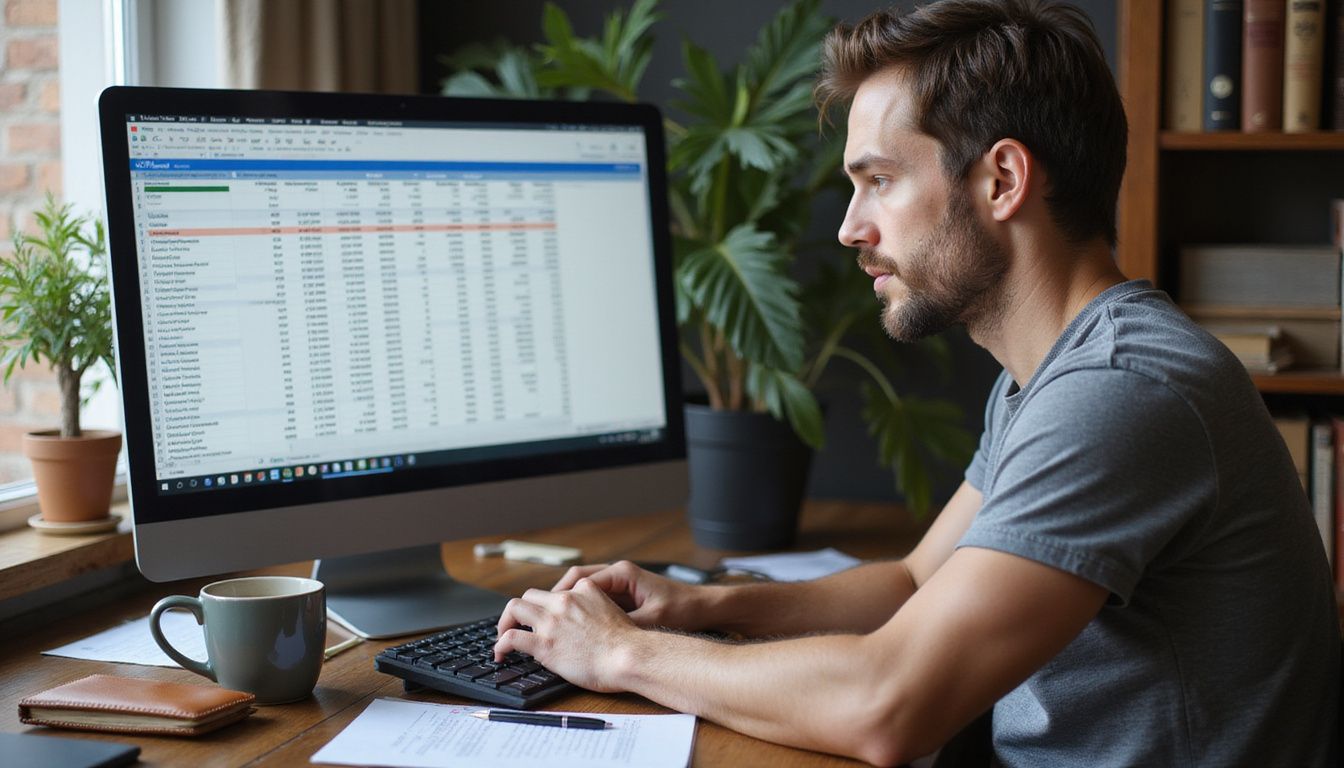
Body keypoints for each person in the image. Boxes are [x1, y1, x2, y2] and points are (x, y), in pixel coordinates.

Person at [492, 1, 1342, 765]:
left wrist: (622, 654)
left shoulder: (1120, 389)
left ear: (1002, 180)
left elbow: (886, 707)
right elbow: (911, 584)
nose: (850, 228)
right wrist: (696, 607)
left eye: (879, 181)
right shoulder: (1048, 377)